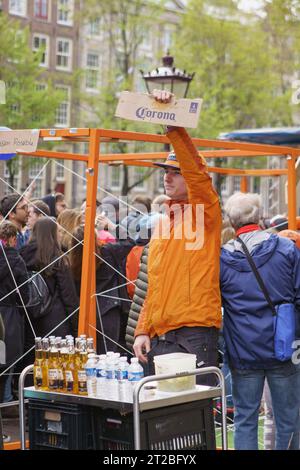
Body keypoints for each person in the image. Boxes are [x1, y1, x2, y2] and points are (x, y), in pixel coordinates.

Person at [133, 89, 222, 385]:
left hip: (194, 334)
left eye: (175, 172)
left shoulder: (205, 211)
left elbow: (197, 173)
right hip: (162, 337)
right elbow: (154, 285)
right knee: (160, 420)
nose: (166, 177)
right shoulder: (165, 225)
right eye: (165, 172)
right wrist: (143, 329)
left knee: (195, 419)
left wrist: (173, 126)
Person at [220, 191, 300, 450]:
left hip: (243, 351)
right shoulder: (286, 248)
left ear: (231, 223)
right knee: (289, 419)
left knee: (245, 419)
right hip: (284, 346)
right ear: (261, 216)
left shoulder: (222, 258)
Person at [20, 218, 79, 358]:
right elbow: (68, 296)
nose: (60, 234)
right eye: (57, 231)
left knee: (33, 367)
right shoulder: (58, 259)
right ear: (51, 234)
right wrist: (77, 327)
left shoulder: (22, 255)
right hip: (56, 321)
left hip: (30, 320)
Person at [69, 226, 134, 355]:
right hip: (109, 310)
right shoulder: (108, 252)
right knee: (109, 355)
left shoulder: (73, 262)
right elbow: (130, 242)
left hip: (86, 312)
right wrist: (111, 226)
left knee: (89, 357)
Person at [0, 221, 29, 405]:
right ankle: (6, 400)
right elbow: (24, 294)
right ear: (12, 239)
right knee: (7, 361)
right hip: (9, 315)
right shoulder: (17, 260)